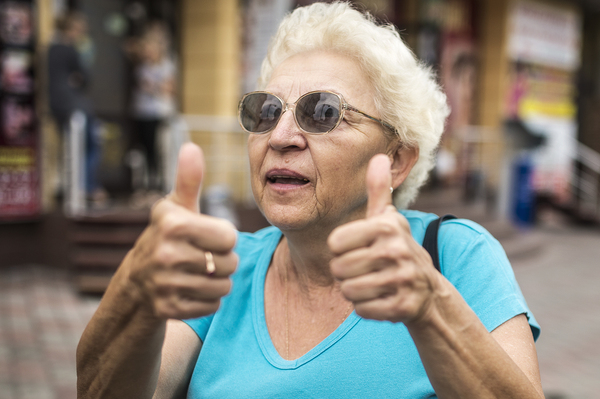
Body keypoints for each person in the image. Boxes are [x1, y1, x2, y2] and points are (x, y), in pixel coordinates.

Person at [76, 3, 544, 398]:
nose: (280, 136)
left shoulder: (457, 256)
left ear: (397, 158)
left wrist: (429, 308)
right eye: (266, 110)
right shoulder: (223, 267)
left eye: (322, 112)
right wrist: (135, 293)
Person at [47, 12, 106, 205]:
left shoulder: (49, 50)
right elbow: (85, 78)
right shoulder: (71, 50)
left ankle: (71, 189)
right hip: (76, 106)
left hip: (56, 106)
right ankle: (87, 188)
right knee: (91, 146)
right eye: (80, 29)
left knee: (70, 147)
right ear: (71, 29)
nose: (82, 33)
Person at [129, 21, 176, 200]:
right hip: (141, 113)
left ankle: (158, 186)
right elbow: (129, 47)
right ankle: (144, 186)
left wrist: (154, 86)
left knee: (157, 152)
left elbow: (171, 89)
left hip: (158, 114)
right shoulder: (141, 66)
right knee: (144, 151)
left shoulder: (166, 66)